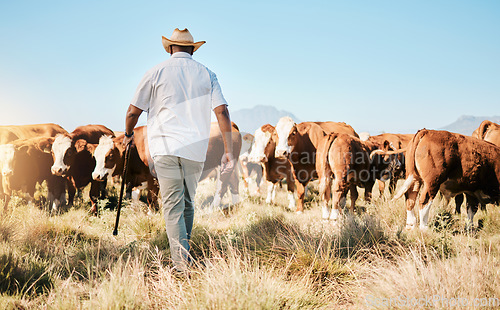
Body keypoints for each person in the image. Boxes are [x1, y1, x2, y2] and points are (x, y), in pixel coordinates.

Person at [123, 28, 235, 273]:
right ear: (193, 49)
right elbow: (222, 112)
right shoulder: (207, 73)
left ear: (170, 48)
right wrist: (228, 150)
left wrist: (129, 133)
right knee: (187, 202)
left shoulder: (155, 72)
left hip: (164, 147)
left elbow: (133, 112)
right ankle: (183, 256)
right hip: (195, 149)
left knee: (173, 204)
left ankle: (181, 264)